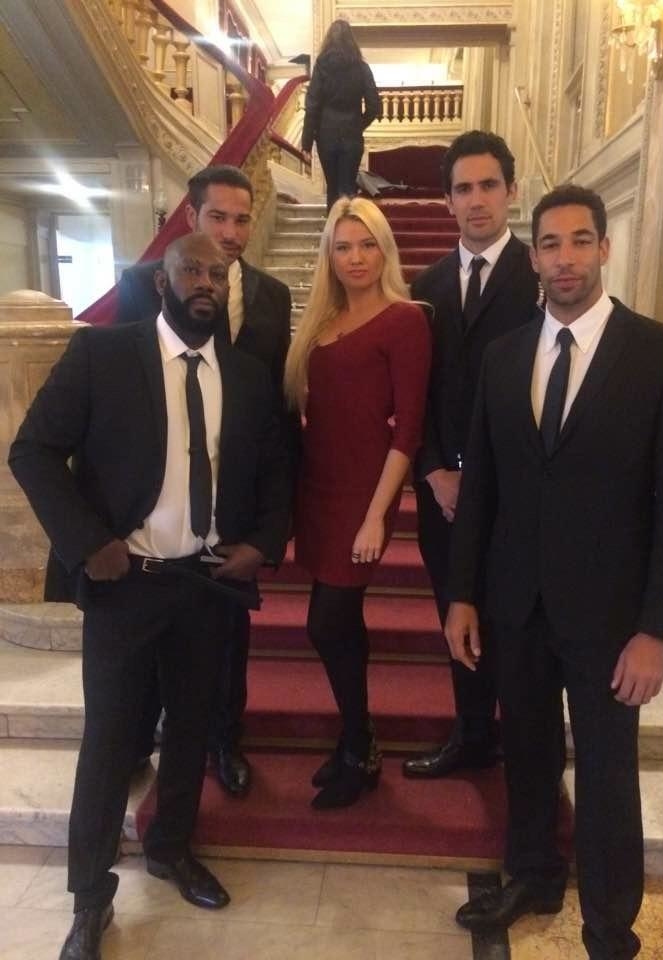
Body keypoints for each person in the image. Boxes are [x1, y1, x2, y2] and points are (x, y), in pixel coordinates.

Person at [9, 234, 291, 960]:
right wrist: (88, 542)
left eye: (217, 273)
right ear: (162, 282)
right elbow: (32, 450)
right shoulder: (103, 356)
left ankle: (170, 849)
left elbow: (278, 468)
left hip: (206, 585)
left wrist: (262, 543)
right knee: (110, 743)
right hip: (125, 585)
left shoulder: (249, 376)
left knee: (192, 729)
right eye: (191, 269)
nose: (205, 281)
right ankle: (89, 899)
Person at [445, 185, 663, 959]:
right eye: (552, 244)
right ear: (534, 257)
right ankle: (532, 876)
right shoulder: (503, 357)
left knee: (606, 774)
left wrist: (657, 631)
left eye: (580, 241)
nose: (566, 259)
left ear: (604, 248)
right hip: (516, 605)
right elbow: (482, 489)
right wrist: (463, 595)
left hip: (612, 620)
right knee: (526, 756)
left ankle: (610, 923)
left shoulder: (662, 353)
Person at [116, 164, 293, 797]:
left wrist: (268, 525)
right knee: (148, 642)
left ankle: (225, 740)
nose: (231, 232)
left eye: (243, 219)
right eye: (218, 216)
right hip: (158, 499)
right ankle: (139, 739)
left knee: (230, 636)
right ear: (191, 217)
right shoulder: (142, 283)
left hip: (230, 499)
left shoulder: (272, 295)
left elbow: (274, 410)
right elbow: (124, 393)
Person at [284, 196, 431, 809]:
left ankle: (361, 743)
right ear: (329, 256)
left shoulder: (406, 319)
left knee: (325, 622)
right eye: (343, 246)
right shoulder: (322, 322)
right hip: (318, 489)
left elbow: (409, 431)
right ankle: (355, 738)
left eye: (367, 244)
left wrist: (377, 515)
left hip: (362, 496)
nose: (356, 257)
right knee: (337, 623)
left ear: (384, 249)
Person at [403, 130, 541, 780]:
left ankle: (525, 745)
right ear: (448, 201)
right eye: (464, 188)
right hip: (445, 493)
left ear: (512, 191)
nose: (477, 199)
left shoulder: (539, 276)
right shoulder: (425, 284)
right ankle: (472, 734)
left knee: (514, 621)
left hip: (518, 495)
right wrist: (433, 470)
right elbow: (416, 392)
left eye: (489, 185)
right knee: (453, 613)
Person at [300, 19, 380, 212]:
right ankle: (349, 228)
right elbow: (374, 106)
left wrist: (306, 143)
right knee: (348, 189)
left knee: (333, 189)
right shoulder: (362, 68)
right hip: (352, 135)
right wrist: (358, 125)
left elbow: (312, 105)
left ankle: (332, 229)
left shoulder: (321, 66)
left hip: (326, 135)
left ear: (329, 40)